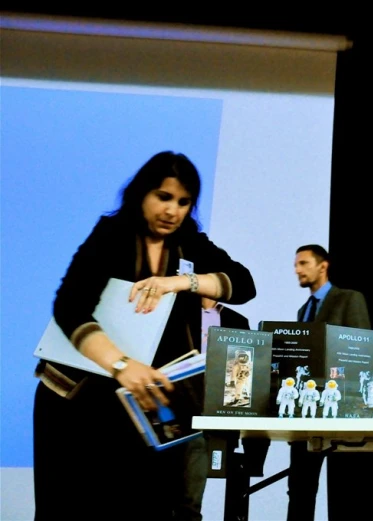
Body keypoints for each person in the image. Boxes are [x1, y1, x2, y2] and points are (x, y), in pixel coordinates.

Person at [33, 151, 256, 521]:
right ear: (141, 194)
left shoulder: (189, 243)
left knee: (145, 505)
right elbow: (69, 308)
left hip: (142, 405)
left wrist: (180, 282)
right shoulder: (112, 235)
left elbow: (243, 284)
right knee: (71, 508)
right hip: (76, 401)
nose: (173, 211)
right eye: (164, 197)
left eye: (184, 202)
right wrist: (122, 365)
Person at [286, 244, 372, 521]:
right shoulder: (304, 310)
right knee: (299, 486)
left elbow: (362, 348)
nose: (297, 269)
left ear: (323, 266)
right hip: (307, 409)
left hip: (341, 406)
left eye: (303, 263)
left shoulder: (348, 298)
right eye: (296, 264)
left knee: (347, 486)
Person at [178, 297, 251, 521]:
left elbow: (244, 373)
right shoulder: (177, 314)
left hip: (220, 412)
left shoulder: (237, 321)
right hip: (180, 404)